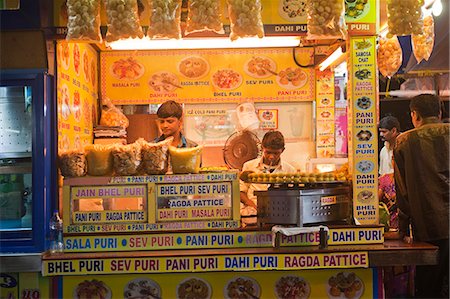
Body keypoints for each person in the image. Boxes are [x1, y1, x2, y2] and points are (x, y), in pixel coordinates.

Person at [393, 94, 449, 298]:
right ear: (440, 112)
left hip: (428, 228)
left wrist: (402, 228)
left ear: (414, 115)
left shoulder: (404, 142)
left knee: (429, 287)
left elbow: (403, 191)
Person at [239, 130, 296, 224]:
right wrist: (254, 207)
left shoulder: (290, 171)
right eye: (268, 152)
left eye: (276, 153)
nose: (271, 157)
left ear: (283, 150)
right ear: (262, 148)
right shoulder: (249, 166)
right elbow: (241, 192)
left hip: (281, 217)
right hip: (252, 217)